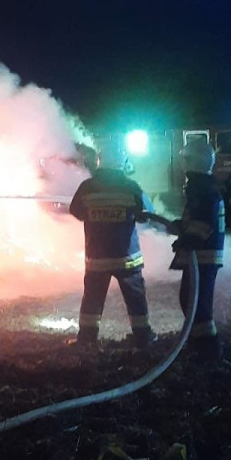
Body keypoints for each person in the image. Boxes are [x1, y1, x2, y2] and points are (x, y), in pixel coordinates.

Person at [68, 138, 155, 348]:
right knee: (135, 298)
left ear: (100, 161)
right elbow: (148, 213)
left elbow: (76, 211)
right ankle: (143, 336)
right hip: (127, 258)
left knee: (92, 300)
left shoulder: (87, 187)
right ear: (122, 162)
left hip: (97, 258)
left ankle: (87, 339)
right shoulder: (130, 187)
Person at [169, 140, 225, 359]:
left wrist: (187, 240)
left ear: (192, 162)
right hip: (202, 256)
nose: (182, 164)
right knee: (190, 300)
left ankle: (209, 349)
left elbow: (205, 224)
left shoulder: (203, 189)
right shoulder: (202, 187)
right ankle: (199, 344)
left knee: (196, 304)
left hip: (203, 256)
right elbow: (196, 220)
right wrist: (180, 227)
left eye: (185, 160)